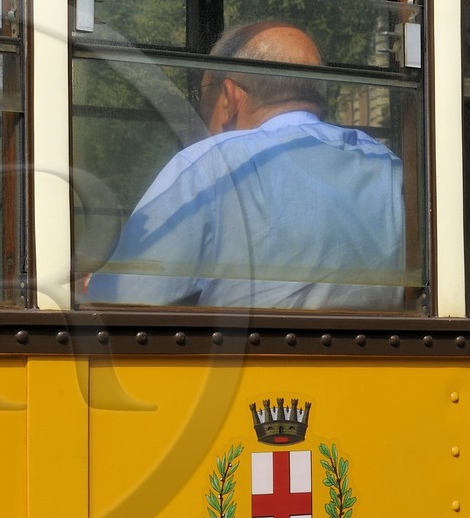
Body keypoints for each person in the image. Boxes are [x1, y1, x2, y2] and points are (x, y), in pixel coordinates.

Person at [84, 20, 405, 310]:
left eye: (204, 94)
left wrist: (90, 287)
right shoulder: (388, 168)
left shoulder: (209, 166)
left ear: (229, 96)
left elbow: (123, 306)